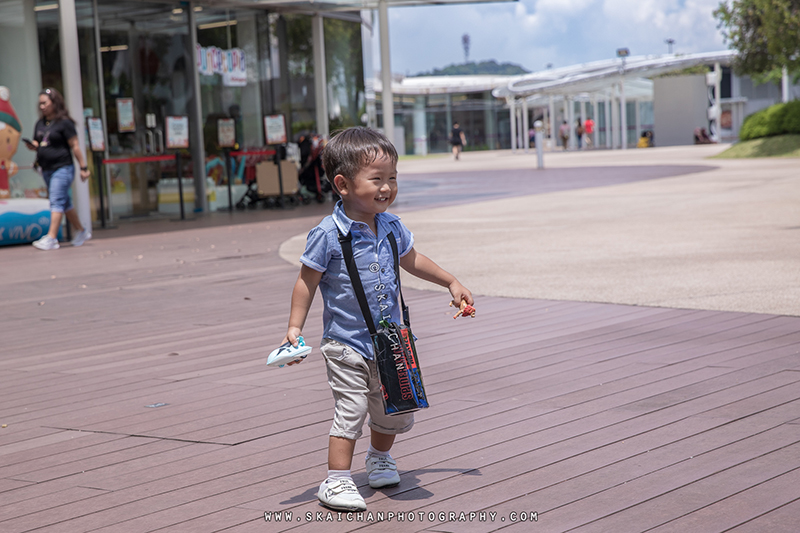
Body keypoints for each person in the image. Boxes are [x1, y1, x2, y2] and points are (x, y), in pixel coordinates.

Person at [281, 127, 473, 512]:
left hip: (390, 342)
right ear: (343, 184)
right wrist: (294, 329)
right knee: (351, 408)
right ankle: (335, 480)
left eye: (393, 178)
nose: (387, 187)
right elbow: (306, 282)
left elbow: (412, 259)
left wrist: (450, 281)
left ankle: (379, 458)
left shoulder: (391, 227)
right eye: (377, 179)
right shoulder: (328, 234)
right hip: (345, 342)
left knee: (395, 409)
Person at [25, 88, 91, 250]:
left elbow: (74, 145)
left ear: (54, 103)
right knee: (65, 203)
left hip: (63, 168)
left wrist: (83, 167)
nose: (42, 106)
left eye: (45, 103)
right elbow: (38, 142)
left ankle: (52, 238)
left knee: (56, 199)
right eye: (40, 103)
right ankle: (82, 231)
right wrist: (32, 146)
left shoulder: (65, 123)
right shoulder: (40, 123)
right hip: (46, 169)